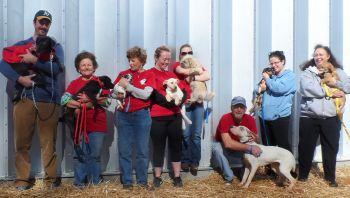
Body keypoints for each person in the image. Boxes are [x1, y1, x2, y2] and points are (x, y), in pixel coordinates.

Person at [0, 10, 64, 191]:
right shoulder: (21, 45)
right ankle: (22, 180)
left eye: (47, 23)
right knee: (22, 141)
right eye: (40, 22)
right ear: (34, 22)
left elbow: (57, 69)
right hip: (24, 98)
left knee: (48, 142)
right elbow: (3, 63)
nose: (43, 26)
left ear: (49, 25)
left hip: (48, 98)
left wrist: (33, 60)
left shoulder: (54, 46)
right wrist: (20, 79)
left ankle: (51, 181)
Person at [298, 44, 350, 187]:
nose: (318, 57)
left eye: (321, 54)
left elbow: (348, 87)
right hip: (309, 115)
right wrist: (331, 92)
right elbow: (307, 89)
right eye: (316, 55)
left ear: (328, 56)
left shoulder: (338, 71)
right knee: (305, 147)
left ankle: (330, 178)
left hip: (331, 117)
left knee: (330, 148)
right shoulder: (308, 72)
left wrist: (335, 82)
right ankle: (302, 175)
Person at [61, 51, 110, 188]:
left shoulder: (100, 82)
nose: (86, 67)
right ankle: (79, 183)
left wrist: (88, 101)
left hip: (97, 124)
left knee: (94, 154)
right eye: (83, 65)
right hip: (78, 125)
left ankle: (95, 182)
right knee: (79, 154)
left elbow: (106, 102)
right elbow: (64, 99)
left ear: (94, 67)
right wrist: (83, 105)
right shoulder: (74, 83)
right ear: (78, 68)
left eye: (89, 64)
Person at [114, 46, 155, 190]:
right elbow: (113, 91)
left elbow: (146, 95)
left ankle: (142, 181)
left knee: (142, 151)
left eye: (133, 60)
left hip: (142, 115)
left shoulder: (149, 75)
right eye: (129, 60)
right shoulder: (123, 73)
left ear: (142, 61)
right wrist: (117, 93)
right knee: (124, 150)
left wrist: (129, 87)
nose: (130, 63)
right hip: (123, 114)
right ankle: (127, 182)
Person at [148, 46, 186, 188]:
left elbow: (183, 91)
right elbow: (154, 95)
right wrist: (170, 103)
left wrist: (180, 101)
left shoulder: (172, 75)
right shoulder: (150, 73)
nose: (166, 62)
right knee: (158, 146)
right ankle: (157, 177)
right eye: (164, 59)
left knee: (176, 145)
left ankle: (177, 176)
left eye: (169, 59)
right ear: (156, 58)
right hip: (158, 116)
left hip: (175, 116)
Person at [172, 44, 211, 176]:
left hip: (198, 103)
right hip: (185, 104)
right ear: (180, 55)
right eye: (184, 53)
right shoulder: (178, 64)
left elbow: (207, 75)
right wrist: (195, 70)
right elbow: (182, 71)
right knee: (185, 134)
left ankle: (195, 161)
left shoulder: (196, 63)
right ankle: (185, 159)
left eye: (190, 52)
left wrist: (194, 77)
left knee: (196, 135)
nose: (187, 54)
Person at [212, 96, 262, 184]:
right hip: (227, 150)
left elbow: (256, 142)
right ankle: (229, 176)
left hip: (241, 150)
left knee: (244, 178)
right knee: (216, 148)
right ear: (231, 108)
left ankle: (241, 169)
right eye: (236, 107)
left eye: (241, 107)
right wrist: (250, 148)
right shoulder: (225, 118)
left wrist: (257, 139)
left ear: (245, 109)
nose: (239, 109)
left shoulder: (250, 119)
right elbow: (227, 143)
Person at [255, 51, 296, 152]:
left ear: (283, 61)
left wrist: (268, 80)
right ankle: (270, 168)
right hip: (265, 116)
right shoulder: (270, 76)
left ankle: (288, 168)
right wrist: (261, 88)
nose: (273, 65)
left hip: (280, 116)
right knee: (268, 147)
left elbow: (280, 88)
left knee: (283, 146)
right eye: (271, 63)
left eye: (276, 62)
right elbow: (257, 89)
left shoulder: (289, 76)